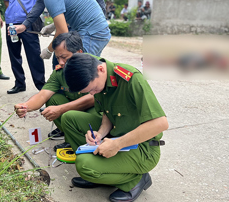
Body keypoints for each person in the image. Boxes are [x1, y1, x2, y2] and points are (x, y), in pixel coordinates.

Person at [62, 53, 169, 202]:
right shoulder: (101, 80)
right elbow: (108, 113)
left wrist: (117, 144)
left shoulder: (130, 78)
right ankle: (102, 173)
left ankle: (135, 181)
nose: (92, 94)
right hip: (116, 135)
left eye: (92, 89)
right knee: (69, 119)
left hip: (143, 148)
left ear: (100, 69)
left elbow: (160, 123)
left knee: (84, 166)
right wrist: (100, 134)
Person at [14, 32, 102, 150]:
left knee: (69, 115)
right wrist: (25, 106)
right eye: (58, 58)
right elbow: (43, 94)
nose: (60, 62)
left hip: (97, 113)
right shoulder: (60, 71)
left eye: (64, 57)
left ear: (79, 53)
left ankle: (89, 146)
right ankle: (71, 139)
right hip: (75, 110)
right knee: (53, 99)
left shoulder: (95, 67)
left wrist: (62, 109)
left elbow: (93, 97)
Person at [17, 0, 111, 60]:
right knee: (90, 69)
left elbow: (62, 31)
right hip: (97, 30)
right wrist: (53, 26)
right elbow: (74, 12)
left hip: (92, 33)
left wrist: (49, 50)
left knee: (78, 68)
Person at [0, 0, 45, 94]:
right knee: (14, 55)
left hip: (29, 23)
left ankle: (41, 86)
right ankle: (19, 83)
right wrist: (13, 14)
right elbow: (5, 1)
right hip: (11, 24)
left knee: (34, 55)